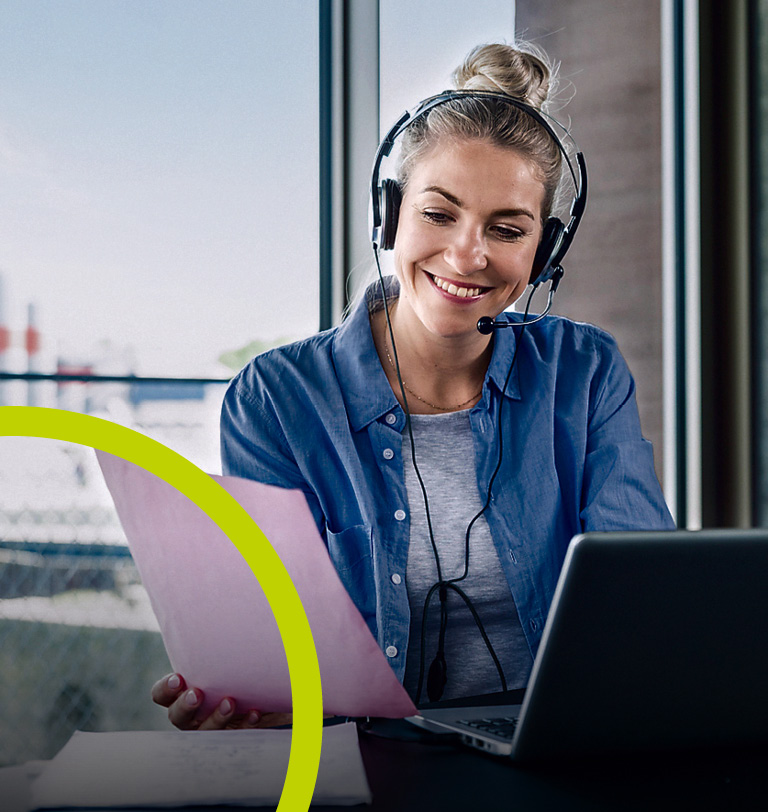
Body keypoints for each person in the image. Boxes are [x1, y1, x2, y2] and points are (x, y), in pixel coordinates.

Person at [153, 41, 675, 729]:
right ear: (389, 214)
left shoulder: (585, 374)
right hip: (363, 766)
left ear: (543, 253)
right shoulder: (276, 400)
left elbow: (643, 605)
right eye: (439, 213)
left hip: (557, 754)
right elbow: (277, 648)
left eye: (507, 228)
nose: (469, 254)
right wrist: (247, 702)